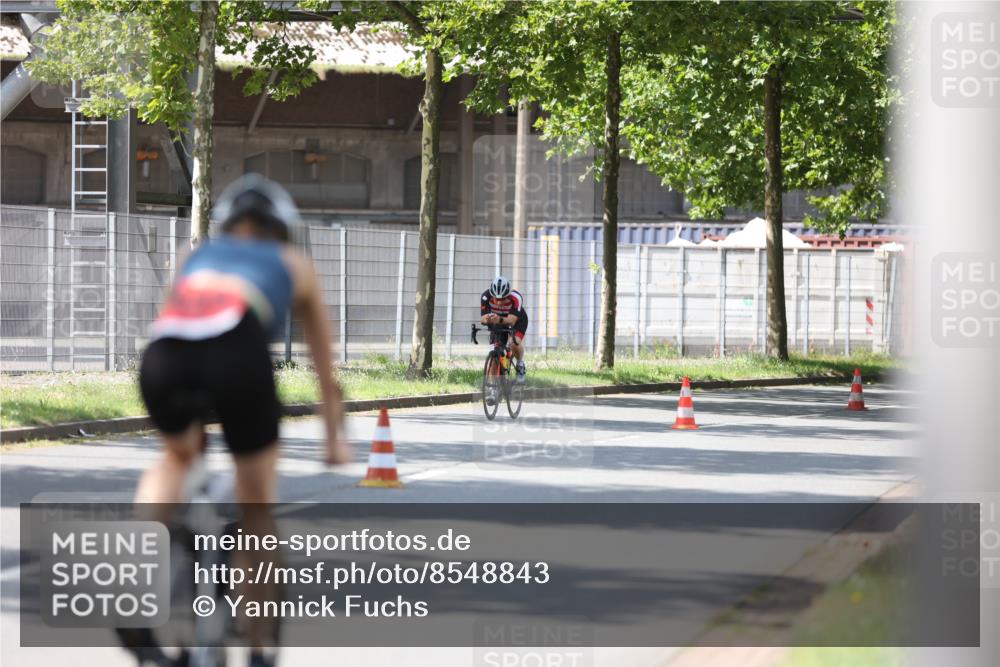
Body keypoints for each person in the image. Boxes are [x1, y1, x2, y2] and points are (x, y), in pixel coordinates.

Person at [134, 174, 350, 666]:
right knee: (256, 507)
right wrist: (333, 439)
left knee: (175, 456)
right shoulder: (292, 261)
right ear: (280, 229)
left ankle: (135, 571)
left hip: (164, 353)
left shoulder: (196, 255)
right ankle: (258, 647)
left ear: (228, 225)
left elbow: (179, 316)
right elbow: (324, 366)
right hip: (238, 350)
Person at [480, 275, 528, 382]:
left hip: (517, 320)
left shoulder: (516, 297)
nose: (498, 302)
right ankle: (493, 389)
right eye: (496, 299)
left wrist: (499, 319)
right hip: (497, 321)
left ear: (508, 295)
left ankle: (520, 363)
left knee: (513, 342)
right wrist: (487, 319)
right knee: (494, 354)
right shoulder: (485, 297)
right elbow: (482, 318)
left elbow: (512, 320)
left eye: (502, 299)